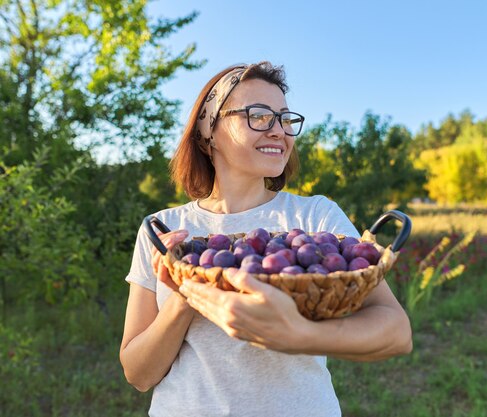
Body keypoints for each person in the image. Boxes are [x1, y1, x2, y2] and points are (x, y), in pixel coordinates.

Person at [120, 61, 412, 417]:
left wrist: (298, 335)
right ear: (206, 131)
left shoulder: (315, 219)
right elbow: (138, 374)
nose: (279, 131)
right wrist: (185, 295)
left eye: (285, 119)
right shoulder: (163, 230)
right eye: (258, 115)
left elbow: (396, 333)